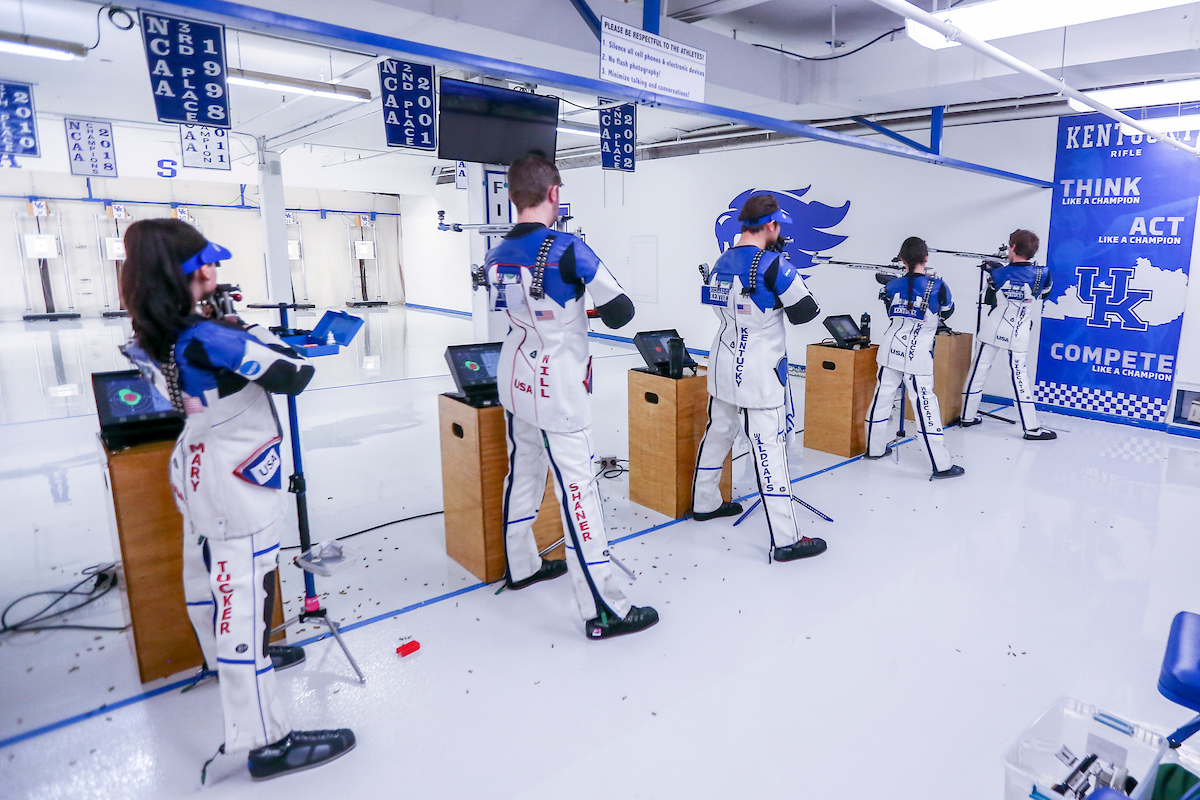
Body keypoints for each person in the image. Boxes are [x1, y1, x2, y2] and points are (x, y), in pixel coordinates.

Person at [119, 219, 355, 781]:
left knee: (208, 583)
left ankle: (225, 662)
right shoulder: (208, 339)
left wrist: (213, 316)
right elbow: (294, 372)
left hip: (198, 465)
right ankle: (265, 740)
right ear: (186, 274)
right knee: (242, 604)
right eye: (205, 263)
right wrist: (244, 325)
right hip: (235, 480)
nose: (215, 269)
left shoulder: (152, 332)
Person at [485, 153, 658, 640]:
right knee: (578, 490)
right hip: (558, 387)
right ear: (554, 194)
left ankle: (521, 566)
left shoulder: (496, 254)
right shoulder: (567, 248)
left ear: (512, 196)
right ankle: (605, 608)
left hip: (516, 379)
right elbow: (621, 311)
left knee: (523, 472)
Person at [691, 193, 826, 562]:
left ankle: (704, 502)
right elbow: (806, 311)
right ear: (771, 226)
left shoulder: (720, 262)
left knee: (718, 433)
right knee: (770, 447)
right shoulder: (773, 265)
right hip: (760, 372)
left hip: (723, 363)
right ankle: (786, 539)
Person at [865, 236, 964, 479]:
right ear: (926, 257)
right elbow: (947, 312)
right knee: (925, 405)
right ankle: (941, 465)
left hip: (890, 349)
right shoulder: (939, 285)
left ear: (902, 259)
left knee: (881, 398)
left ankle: (873, 450)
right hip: (917, 354)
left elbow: (890, 311)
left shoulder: (890, 286)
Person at [960, 229, 1056, 439]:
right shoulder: (1043, 273)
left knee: (978, 372)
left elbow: (989, 299)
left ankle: (966, 416)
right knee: (1019, 380)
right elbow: (1045, 294)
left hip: (992, 327)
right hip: (1017, 332)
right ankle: (1031, 429)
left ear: (1012, 247)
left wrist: (995, 270)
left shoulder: (997, 274)